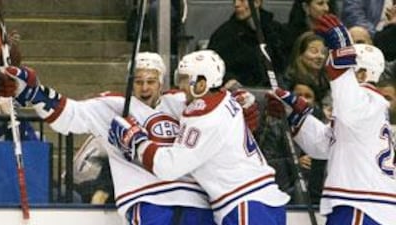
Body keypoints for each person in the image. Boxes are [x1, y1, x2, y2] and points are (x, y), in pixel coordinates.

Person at [0, 51, 259, 224]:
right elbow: (68, 115)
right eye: (138, 81)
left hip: (197, 202)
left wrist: (243, 107)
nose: (144, 88)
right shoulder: (112, 107)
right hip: (148, 203)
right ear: (130, 81)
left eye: (151, 81)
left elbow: (223, 102)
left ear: (162, 80)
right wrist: (32, 92)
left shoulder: (183, 102)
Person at [108, 50, 290, 225]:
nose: (180, 86)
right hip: (257, 200)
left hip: (246, 203)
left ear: (202, 84)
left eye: (186, 79)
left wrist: (137, 141)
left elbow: (169, 167)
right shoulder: (224, 98)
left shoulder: (204, 117)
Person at [271, 14, 395, 224]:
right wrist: (297, 114)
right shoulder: (363, 110)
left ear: (363, 73)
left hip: (363, 204)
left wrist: (342, 53)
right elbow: (324, 145)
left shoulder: (369, 100)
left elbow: (347, 109)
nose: (335, 77)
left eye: (350, 69)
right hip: (361, 202)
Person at [207, 0, 291, 88]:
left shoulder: (276, 31)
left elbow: (288, 62)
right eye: (234, 1)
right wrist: (228, 79)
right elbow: (213, 66)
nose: (236, 5)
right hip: (240, 93)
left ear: (257, 2)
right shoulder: (224, 35)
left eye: (242, 1)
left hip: (277, 91)